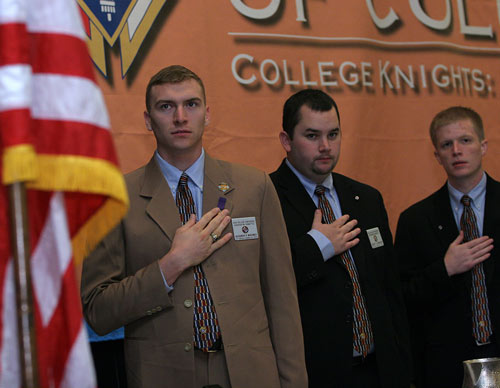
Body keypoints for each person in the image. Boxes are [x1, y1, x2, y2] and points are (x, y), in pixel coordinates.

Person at [81, 65, 307, 388]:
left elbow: (282, 303)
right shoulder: (115, 199)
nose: (180, 117)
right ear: (148, 120)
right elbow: (99, 312)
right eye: (166, 107)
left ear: (207, 114)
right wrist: (169, 266)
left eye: (191, 104)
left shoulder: (254, 187)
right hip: (163, 376)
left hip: (249, 374)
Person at [270, 89, 411, 388]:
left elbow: (391, 291)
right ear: (286, 141)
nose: (325, 146)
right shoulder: (265, 198)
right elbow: (263, 284)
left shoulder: (367, 198)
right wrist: (317, 246)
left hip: (380, 371)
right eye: (312, 135)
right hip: (316, 374)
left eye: (333, 134)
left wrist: (403, 369)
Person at [394, 106, 500, 388]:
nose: (456, 150)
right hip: (445, 367)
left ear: (483, 146)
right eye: (446, 144)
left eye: (465, 140)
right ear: (436, 155)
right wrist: (444, 269)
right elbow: (402, 297)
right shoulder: (415, 220)